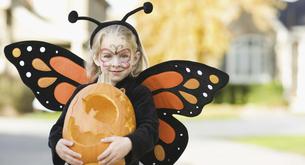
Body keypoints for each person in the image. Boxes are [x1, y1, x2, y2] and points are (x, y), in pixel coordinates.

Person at [48, 24, 159, 165]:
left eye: (124, 56)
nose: (115, 63)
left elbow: (150, 130)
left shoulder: (139, 93)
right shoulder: (82, 93)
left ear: (135, 58)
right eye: (107, 56)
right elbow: (59, 127)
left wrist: (129, 143)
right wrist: (57, 144)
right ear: (96, 58)